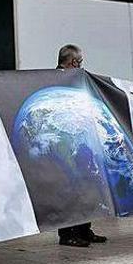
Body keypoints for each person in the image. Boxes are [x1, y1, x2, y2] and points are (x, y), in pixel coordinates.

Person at [53, 44, 108, 248]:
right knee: (70, 190)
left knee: (87, 187)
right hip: (66, 143)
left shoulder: (77, 79)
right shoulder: (54, 79)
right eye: (80, 61)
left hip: (82, 140)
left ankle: (84, 229)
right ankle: (67, 234)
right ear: (74, 62)